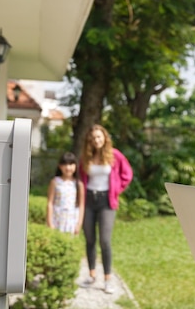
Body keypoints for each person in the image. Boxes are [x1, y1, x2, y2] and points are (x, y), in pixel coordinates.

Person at [78, 124, 133, 294]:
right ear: (90, 140)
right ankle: (92, 275)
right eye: (93, 138)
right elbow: (81, 178)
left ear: (105, 138)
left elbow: (127, 174)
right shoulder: (86, 157)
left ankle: (108, 278)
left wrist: (117, 190)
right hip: (89, 200)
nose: (96, 140)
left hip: (106, 201)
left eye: (99, 137)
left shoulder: (115, 155)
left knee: (105, 240)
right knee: (89, 239)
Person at [46, 151, 85, 235]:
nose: (68, 168)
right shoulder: (55, 182)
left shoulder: (79, 184)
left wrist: (79, 224)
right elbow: (50, 203)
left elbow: (81, 205)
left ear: (75, 166)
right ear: (60, 166)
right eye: (65, 164)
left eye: (71, 164)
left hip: (72, 219)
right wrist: (50, 222)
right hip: (57, 218)